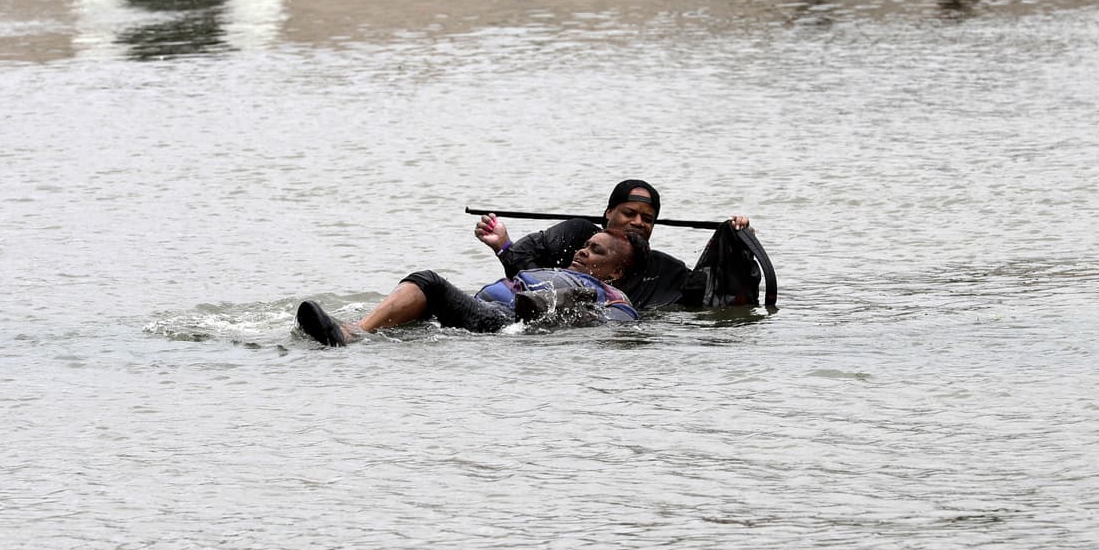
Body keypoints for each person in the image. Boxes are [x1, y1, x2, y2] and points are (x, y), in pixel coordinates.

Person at [295, 229, 650, 347]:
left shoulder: (614, 296)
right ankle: (353, 323)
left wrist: (564, 307)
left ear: (616, 272)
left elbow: (617, 325)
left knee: (430, 280)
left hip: (503, 321)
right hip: (478, 309)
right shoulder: (548, 271)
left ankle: (353, 333)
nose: (583, 251)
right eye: (585, 245)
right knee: (426, 291)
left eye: (596, 251)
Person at [473, 179, 758, 309]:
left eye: (647, 218)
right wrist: (503, 245)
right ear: (609, 213)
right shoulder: (577, 236)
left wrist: (735, 243)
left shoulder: (665, 269)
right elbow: (524, 271)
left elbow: (713, 295)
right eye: (629, 213)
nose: (638, 222)